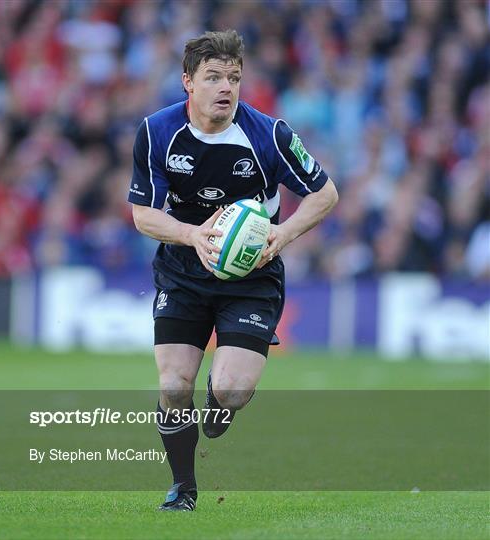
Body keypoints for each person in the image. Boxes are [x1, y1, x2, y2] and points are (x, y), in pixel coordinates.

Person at [128, 29, 338, 511]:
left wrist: (281, 235)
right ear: (187, 81)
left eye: (234, 77)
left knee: (232, 390)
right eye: (214, 77)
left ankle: (221, 401)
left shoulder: (270, 134)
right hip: (184, 267)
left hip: (252, 274)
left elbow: (324, 195)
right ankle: (183, 487)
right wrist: (192, 235)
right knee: (172, 384)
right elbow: (143, 214)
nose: (226, 86)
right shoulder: (157, 132)